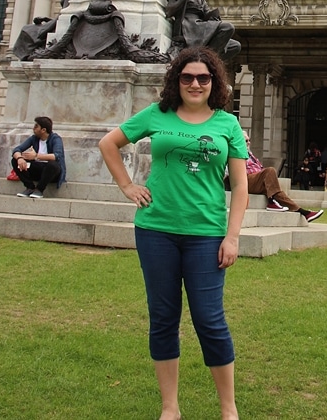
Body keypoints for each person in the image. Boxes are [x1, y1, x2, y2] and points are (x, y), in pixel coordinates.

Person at [99, 46, 248, 420]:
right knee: (163, 317)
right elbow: (109, 144)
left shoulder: (226, 124)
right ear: (176, 80)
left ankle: (228, 409)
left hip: (206, 233)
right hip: (156, 230)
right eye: (187, 77)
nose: (195, 84)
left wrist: (232, 237)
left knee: (209, 319)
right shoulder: (158, 113)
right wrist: (128, 186)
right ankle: (170, 407)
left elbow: (241, 187)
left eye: (203, 77)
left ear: (214, 82)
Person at [165, 0, 241, 61]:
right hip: (188, 27)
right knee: (228, 27)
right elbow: (169, 10)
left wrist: (213, 17)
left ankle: (204, 58)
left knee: (235, 46)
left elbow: (206, 13)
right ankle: (205, 61)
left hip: (200, 27)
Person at [242, 132, 323, 222]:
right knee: (270, 170)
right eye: (246, 141)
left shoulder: (250, 154)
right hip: (247, 179)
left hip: (257, 179)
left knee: (278, 193)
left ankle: (304, 212)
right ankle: (271, 202)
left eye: (249, 140)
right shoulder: (236, 153)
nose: (249, 142)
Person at [11, 116, 66, 198]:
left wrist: (36, 156)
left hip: (51, 173)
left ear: (43, 130)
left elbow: (57, 156)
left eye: (36, 126)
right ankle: (30, 187)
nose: (33, 128)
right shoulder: (34, 139)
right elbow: (17, 149)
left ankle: (39, 190)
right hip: (37, 169)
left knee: (52, 165)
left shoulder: (55, 139)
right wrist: (20, 158)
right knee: (14, 161)